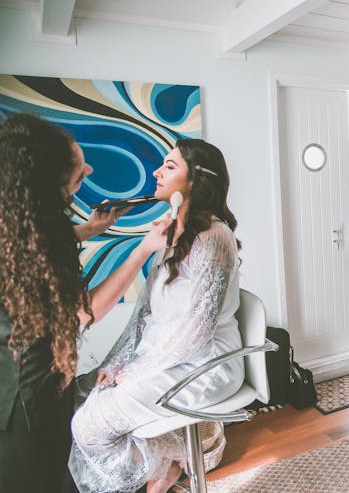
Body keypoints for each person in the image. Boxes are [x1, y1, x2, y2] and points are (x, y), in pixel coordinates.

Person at [0, 114, 172, 492]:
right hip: (26, 399)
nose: (90, 169)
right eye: (79, 173)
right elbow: (85, 311)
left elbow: (36, 242)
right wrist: (141, 249)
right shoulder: (41, 239)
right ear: (51, 189)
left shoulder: (15, 224)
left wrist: (89, 230)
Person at [69, 138, 244, 493]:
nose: (156, 171)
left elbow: (196, 330)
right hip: (164, 359)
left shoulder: (214, 237)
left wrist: (133, 371)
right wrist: (115, 362)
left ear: (196, 180)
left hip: (205, 365)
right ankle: (165, 466)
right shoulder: (170, 236)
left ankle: (172, 459)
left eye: (169, 165)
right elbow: (143, 314)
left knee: (88, 426)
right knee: (78, 393)